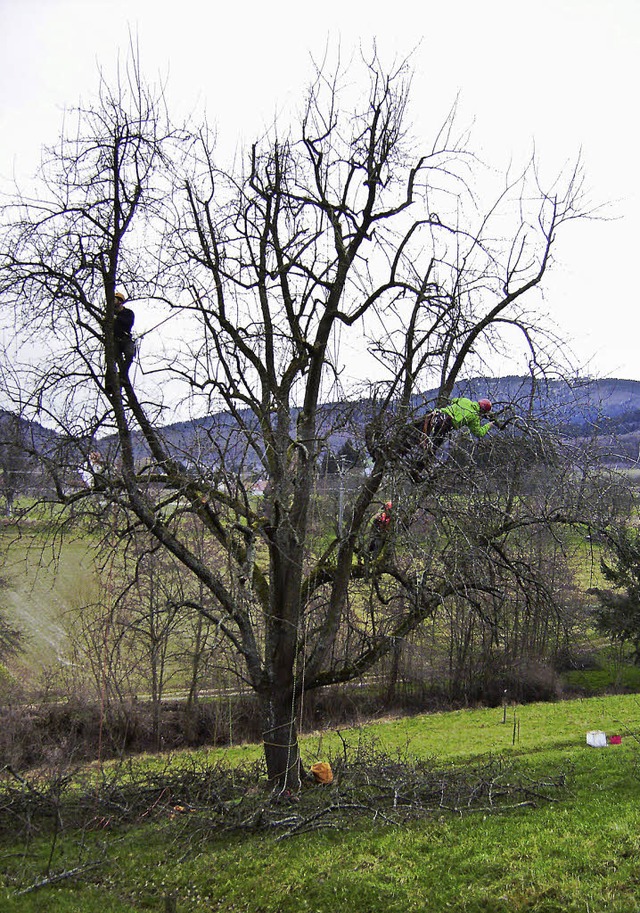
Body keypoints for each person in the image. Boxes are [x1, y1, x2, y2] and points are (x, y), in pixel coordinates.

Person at [399, 398, 495, 480]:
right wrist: (489, 425)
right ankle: (417, 470)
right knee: (432, 449)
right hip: (444, 425)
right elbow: (479, 432)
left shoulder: (465, 400)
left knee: (416, 434)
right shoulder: (474, 417)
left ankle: (399, 450)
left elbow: (453, 401)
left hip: (436, 415)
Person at [113, 290, 136, 376]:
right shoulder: (110, 314)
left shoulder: (128, 313)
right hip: (115, 340)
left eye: (114, 300)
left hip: (125, 339)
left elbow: (129, 322)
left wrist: (117, 318)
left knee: (130, 354)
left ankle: (123, 375)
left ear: (120, 301)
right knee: (112, 360)